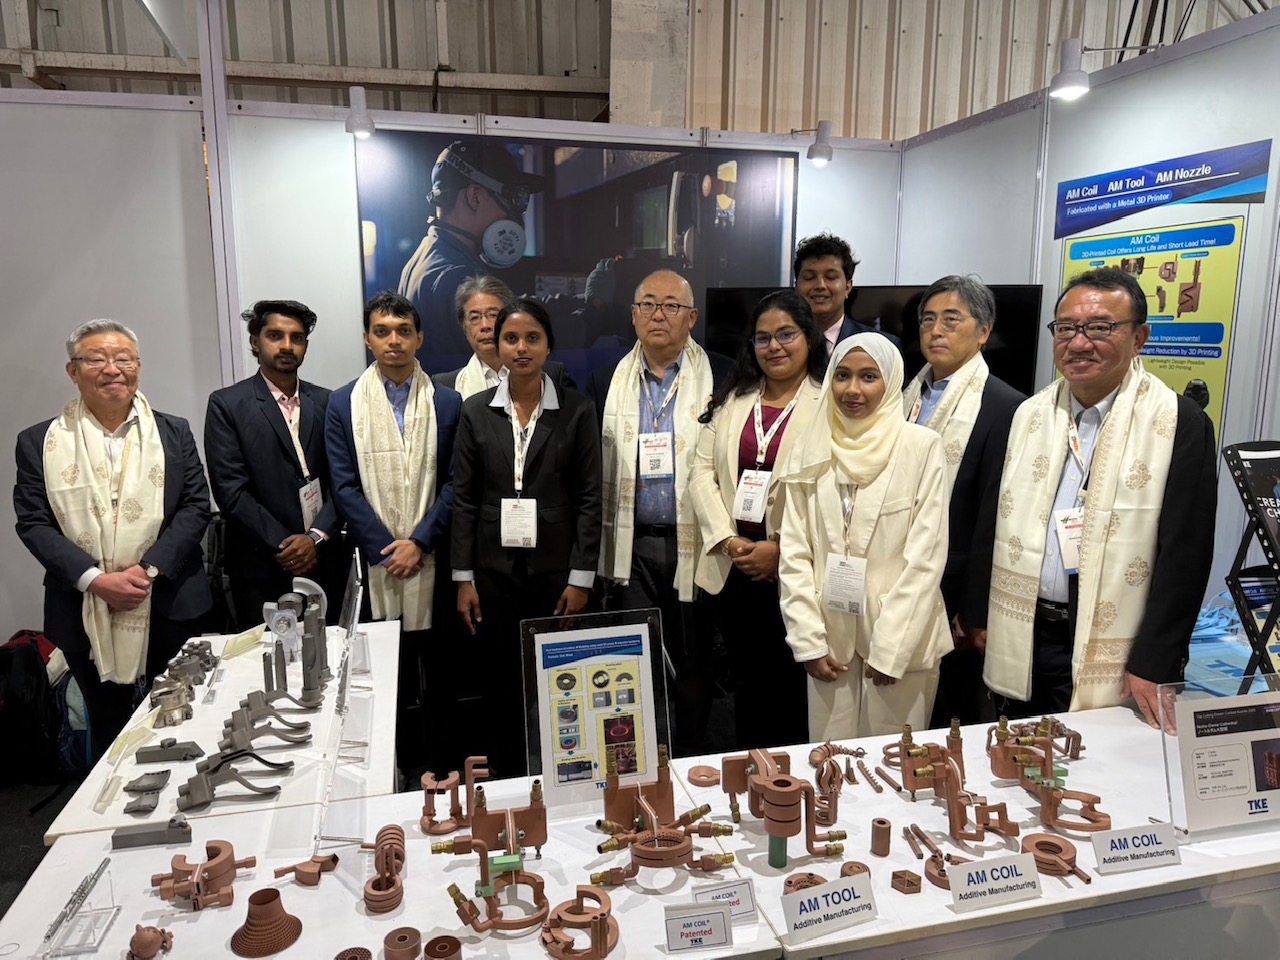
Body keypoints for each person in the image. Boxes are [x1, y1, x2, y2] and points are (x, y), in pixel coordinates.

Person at [984, 268, 1216, 728]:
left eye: (1100, 328)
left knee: (1098, 757)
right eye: (1066, 328)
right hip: (1025, 631)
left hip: (1117, 645)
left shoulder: (1179, 422)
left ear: (1139, 338)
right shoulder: (1028, 414)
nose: (1078, 343)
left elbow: (1186, 557)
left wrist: (1156, 661)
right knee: (1018, 752)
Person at [14, 320, 212, 760]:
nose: (112, 369)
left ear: (138, 367)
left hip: (169, 601)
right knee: (112, 731)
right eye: (96, 359)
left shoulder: (173, 431)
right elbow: (33, 523)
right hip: (83, 607)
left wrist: (147, 570)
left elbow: (196, 505)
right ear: (73, 371)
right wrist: (96, 580)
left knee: (184, 719)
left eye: (124, 358)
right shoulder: (39, 442)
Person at [451, 298, 602, 776]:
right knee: (499, 681)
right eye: (511, 338)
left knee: (559, 681)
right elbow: (465, 499)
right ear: (497, 346)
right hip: (492, 572)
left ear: (549, 346)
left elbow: (589, 498)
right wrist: (463, 578)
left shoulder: (577, 410)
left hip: (556, 572)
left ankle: (560, 776)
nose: (521, 348)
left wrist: (581, 578)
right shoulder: (476, 411)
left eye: (532, 338)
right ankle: (507, 780)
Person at [778, 333, 951, 740]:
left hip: (901, 639)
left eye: (869, 377)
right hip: (829, 638)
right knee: (831, 758)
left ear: (891, 383)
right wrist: (808, 640)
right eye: (842, 376)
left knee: (894, 759)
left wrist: (892, 649)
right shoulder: (812, 446)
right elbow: (794, 552)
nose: (852, 389)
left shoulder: (920, 447)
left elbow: (926, 558)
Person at [325, 291, 462, 770]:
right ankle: (395, 772)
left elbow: (455, 483)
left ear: (419, 338)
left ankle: (443, 769)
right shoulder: (343, 403)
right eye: (382, 332)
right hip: (377, 563)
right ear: (367, 339)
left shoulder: (448, 402)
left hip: (433, 558)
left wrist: (419, 542)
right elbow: (343, 486)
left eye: (404, 331)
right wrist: (389, 548)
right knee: (386, 677)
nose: (394, 341)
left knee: (440, 673)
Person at [596, 269, 730, 756]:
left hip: (693, 540)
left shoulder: (724, 376)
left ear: (692, 318)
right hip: (630, 544)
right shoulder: (605, 378)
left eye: (671, 305)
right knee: (634, 657)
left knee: (693, 655)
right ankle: (642, 757)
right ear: (633, 315)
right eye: (648, 304)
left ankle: (691, 752)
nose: (659, 314)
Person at [688, 290, 828, 749]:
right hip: (737, 567)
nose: (774, 346)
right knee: (747, 687)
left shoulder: (829, 403)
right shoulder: (733, 399)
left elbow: (835, 492)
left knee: (792, 690)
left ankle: (795, 778)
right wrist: (729, 541)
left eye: (786, 334)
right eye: (763, 338)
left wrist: (782, 551)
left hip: (799, 572)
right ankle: (754, 775)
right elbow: (701, 473)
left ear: (808, 337)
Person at [901, 276, 1025, 727]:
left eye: (951, 320)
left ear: (984, 331)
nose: (935, 331)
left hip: (953, 586)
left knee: (948, 712)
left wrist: (974, 611)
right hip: (898, 572)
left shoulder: (1005, 406)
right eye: (928, 320)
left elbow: (995, 517)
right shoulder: (905, 394)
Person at [205, 300, 348, 631]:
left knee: (329, 651)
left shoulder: (328, 401)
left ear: (305, 346)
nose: (286, 346)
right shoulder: (227, 404)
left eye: (296, 338)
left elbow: (342, 480)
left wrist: (314, 539)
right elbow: (231, 492)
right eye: (275, 335)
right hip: (261, 565)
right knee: (266, 656)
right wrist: (288, 546)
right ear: (255, 342)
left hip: (324, 560)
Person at [399, 139, 545, 366]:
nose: (514, 213)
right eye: (512, 199)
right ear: (475, 196)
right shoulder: (458, 276)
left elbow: (512, 310)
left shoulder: (430, 256)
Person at [433, 275, 574, 398]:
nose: (485, 325)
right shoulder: (445, 385)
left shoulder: (552, 374)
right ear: (464, 327)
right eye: (475, 318)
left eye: (493, 315)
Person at [793, 232, 901, 351]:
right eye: (809, 277)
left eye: (830, 277)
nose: (820, 285)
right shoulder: (781, 344)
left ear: (848, 287)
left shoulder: (883, 346)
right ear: (796, 287)